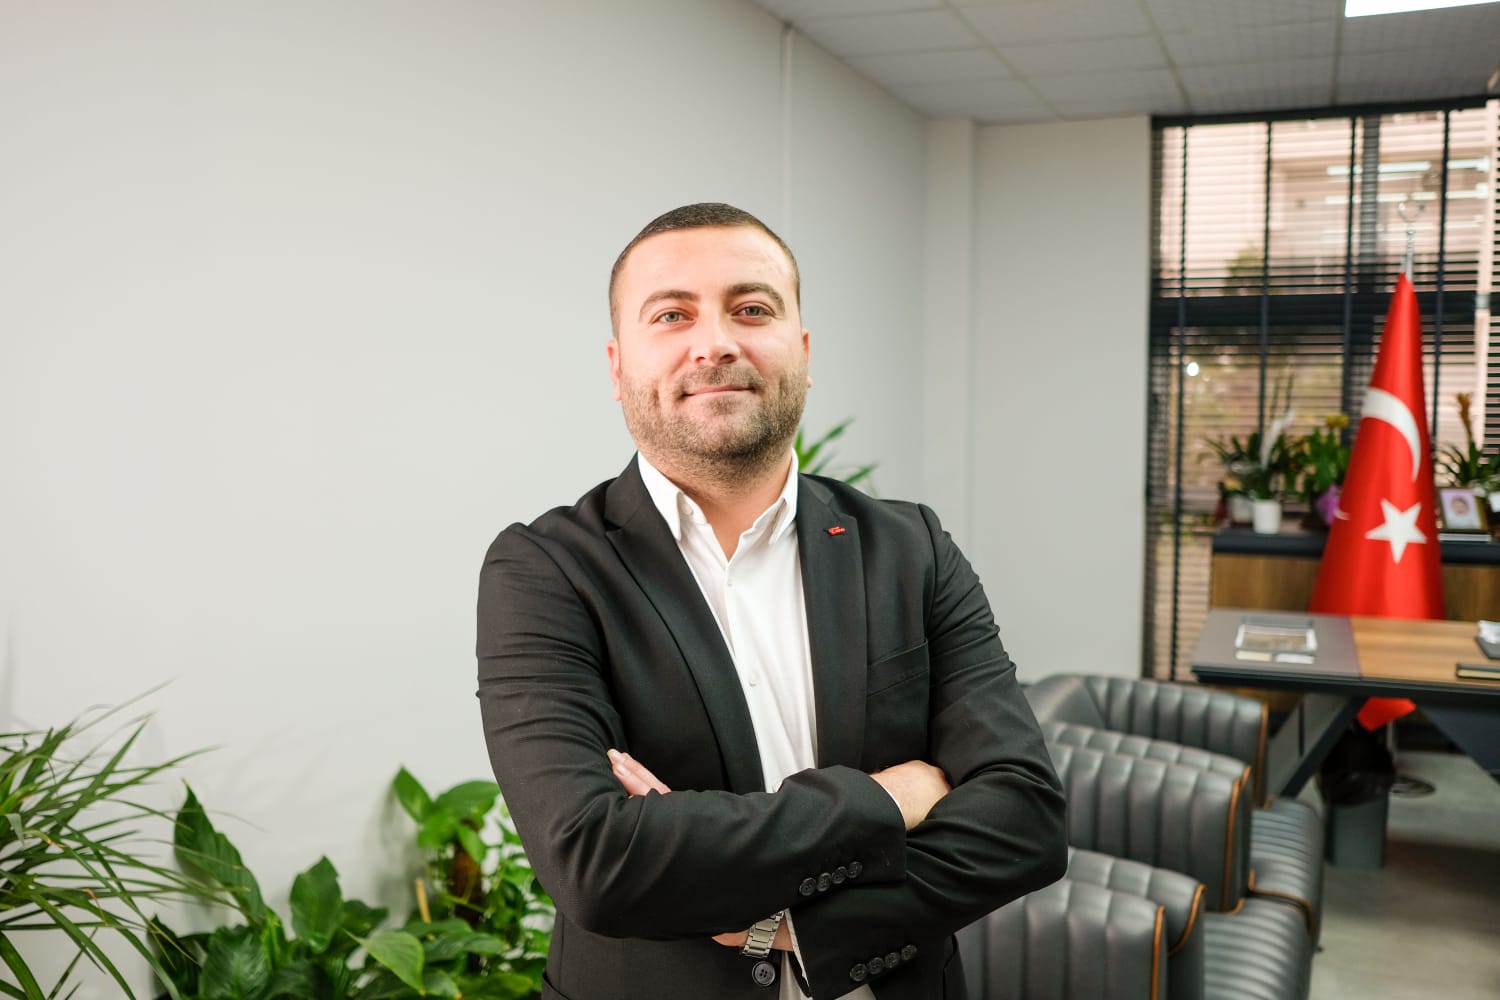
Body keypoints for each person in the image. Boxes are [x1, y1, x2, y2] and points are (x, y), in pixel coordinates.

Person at [476, 203, 1066, 1000]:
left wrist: (800, 926)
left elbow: (1026, 819)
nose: (715, 343)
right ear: (617, 369)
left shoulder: (911, 548)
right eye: (672, 315)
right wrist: (893, 796)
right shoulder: (546, 570)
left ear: (803, 352)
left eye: (751, 309)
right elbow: (597, 862)